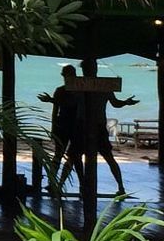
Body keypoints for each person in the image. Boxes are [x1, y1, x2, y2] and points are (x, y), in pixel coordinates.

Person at [39, 64, 141, 195]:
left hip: (83, 126)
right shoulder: (104, 86)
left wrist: (52, 101)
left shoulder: (79, 87)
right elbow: (116, 103)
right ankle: (120, 187)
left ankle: (59, 185)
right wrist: (126, 102)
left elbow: (68, 103)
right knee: (104, 157)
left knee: (74, 157)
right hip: (96, 125)